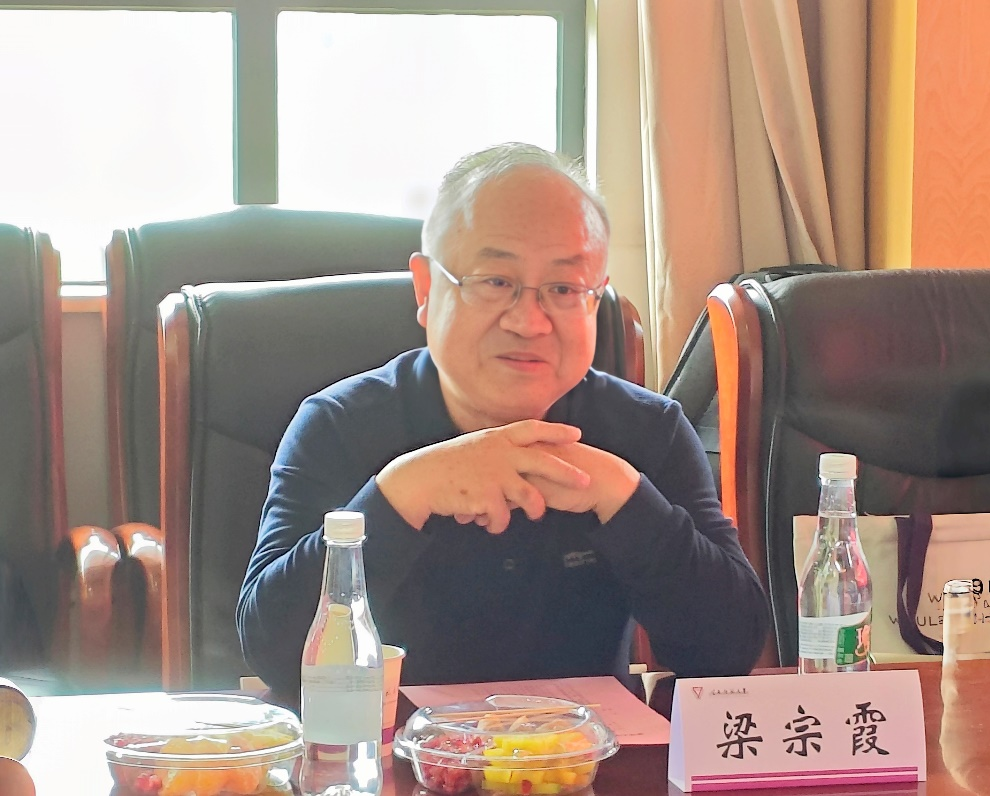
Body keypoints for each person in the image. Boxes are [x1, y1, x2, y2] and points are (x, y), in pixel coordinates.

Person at [237, 143, 768, 698]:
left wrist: (622, 497)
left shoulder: (648, 431)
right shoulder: (338, 426)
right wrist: (401, 495)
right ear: (426, 289)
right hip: (389, 745)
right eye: (495, 282)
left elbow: (726, 654)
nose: (528, 321)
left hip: (582, 749)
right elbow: (277, 656)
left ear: (594, 301)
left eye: (564, 289)